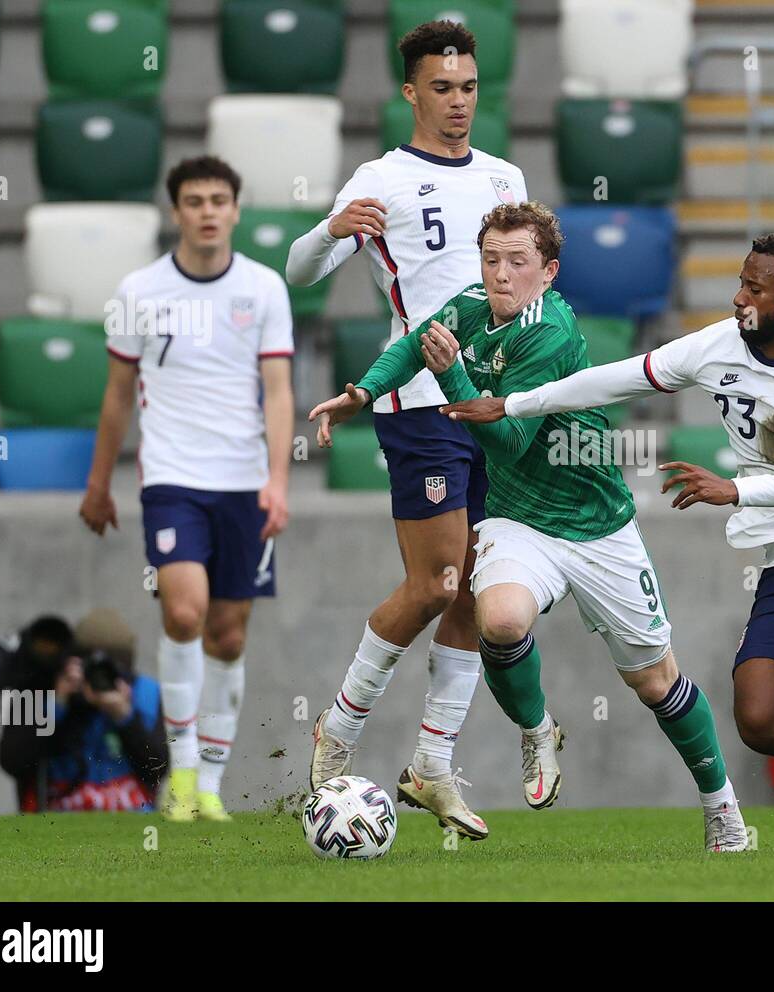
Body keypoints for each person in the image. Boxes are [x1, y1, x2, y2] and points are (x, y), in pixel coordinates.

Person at [445, 233, 774, 852]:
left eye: (755, 288)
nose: (738, 297)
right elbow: (614, 381)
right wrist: (512, 404)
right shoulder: (717, 346)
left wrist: (736, 491)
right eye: (740, 281)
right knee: (762, 720)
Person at [310, 202, 748, 852]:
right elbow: (413, 343)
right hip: (520, 523)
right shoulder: (472, 305)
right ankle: (539, 729)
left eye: (518, 262)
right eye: (491, 259)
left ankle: (722, 808)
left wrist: (451, 372)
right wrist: (364, 394)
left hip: (596, 524)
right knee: (503, 622)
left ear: (549, 271)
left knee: (656, 683)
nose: (501, 274)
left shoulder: (551, 331)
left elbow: (511, 439)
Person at [287, 20, 528, 841]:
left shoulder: (505, 177)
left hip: (492, 404)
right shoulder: (380, 178)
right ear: (411, 93)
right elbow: (300, 270)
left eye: (467, 87)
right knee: (434, 583)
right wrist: (328, 232)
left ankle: (432, 765)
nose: (458, 102)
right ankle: (339, 731)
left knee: (475, 582)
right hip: (418, 403)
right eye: (442, 88)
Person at [80, 155, 295, 823]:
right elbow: (118, 396)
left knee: (228, 637)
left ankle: (211, 785)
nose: (207, 211)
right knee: (182, 613)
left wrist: (278, 480)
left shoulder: (262, 289)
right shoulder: (139, 291)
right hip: (172, 478)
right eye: (194, 200)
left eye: (219, 200)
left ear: (235, 210)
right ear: (176, 211)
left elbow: (279, 389)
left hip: (243, 483)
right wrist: (98, 483)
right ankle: (179, 773)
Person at [0, 609, 168, 812]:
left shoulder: (146, 695)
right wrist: (56, 706)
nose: (98, 680)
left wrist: (125, 716)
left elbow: (158, 770)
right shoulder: (44, 692)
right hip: (58, 820)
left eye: (109, 671)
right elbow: (12, 762)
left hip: (133, 818)